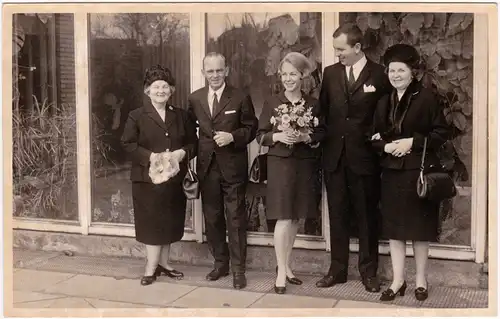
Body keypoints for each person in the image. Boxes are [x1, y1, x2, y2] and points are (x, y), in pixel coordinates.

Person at [371, 44, 450, 302]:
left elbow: (440, 134)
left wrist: (411, 143)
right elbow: (373, 137)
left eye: (401, 70)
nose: (395, 75)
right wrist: (387, 146)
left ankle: (420, 281)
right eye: (391, 70)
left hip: (417, 173)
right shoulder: (384, 101)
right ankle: (398, 281)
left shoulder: (426, 98)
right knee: (394, 230)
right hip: (392, 173)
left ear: (412, 72)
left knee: (419, 229)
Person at [317, 23, 392, 292]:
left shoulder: (380, 75)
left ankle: (368, 273)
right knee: (337, 216)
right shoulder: (330, 74)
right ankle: (337, 270)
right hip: (335, 158)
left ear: (358, 47)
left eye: (341, 49)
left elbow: (386, 118)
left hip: (365, 160)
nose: (338, 54)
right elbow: (322, 114)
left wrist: (377, 144)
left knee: (367, 217)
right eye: (335, 49)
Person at [121, 65, 198, 286]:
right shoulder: (136, 116)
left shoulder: (181, 115)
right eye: (156, 87)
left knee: (170, 221)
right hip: (147, 181)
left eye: (165, 86)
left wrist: (183, 152)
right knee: (152, 223)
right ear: (147, 90)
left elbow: (194, 142)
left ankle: (164, 264)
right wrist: (151, 157)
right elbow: (127, 144)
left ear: (171, 90)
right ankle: (150, 267)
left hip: (173, 179)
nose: (161, 91)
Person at [256, 52, 326, 294]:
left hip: (303, 163)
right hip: (281, 164)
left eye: (293, 74)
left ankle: (287, 267)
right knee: (284, 217)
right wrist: (277, 135)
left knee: (296, 217)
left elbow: (321, 133)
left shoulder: (313, 104)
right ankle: (280, 272)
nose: (288, 79)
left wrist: (307, 136)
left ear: (302, 76)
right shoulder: (272, 102)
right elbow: (260, 135)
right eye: (284, 74)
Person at [187, 52, 258, 290]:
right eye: (210, 71)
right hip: (207, 168)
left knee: (235, 219)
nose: (215, 75)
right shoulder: (195, 99)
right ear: (203, 73)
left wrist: (233, 136)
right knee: (213, 218)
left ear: (226, 70)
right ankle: (221, 264)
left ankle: (239, 270)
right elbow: (189, 131)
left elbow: (251, 128)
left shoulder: (239, 96)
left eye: (219, 70)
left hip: (233, 168)